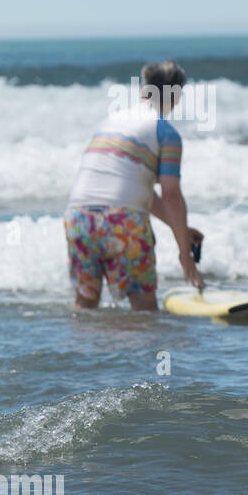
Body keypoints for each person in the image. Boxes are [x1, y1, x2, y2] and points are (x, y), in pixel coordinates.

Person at [64, 60, 204, 310]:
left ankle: (79, 337)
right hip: (122, 222)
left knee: (85, 305)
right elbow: (171, 195)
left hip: (77, 218)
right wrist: (185, 253)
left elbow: (138, 191)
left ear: (143, 90)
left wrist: (180, 230)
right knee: (144, 308)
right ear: (176, 96)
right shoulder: (165, 132)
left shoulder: (110, 122)